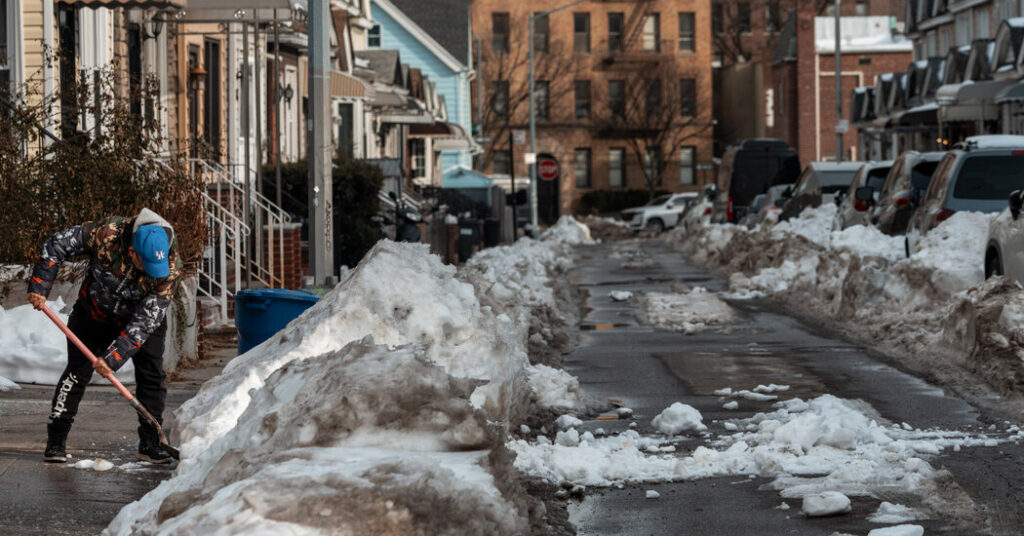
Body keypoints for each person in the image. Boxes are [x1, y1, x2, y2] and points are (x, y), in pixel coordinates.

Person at [27, 208, 180, 464]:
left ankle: (151, 443)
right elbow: (57, 243)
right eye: (147, 265)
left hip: (138, 318)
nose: (154, 273)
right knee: (78, 371)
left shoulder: (169, 269)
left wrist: (113, 357)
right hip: (94, 312)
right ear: (131, 252)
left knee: (152, 375)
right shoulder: (106, 234)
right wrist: (40, 284)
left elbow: (145, 321)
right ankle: (56, 440)